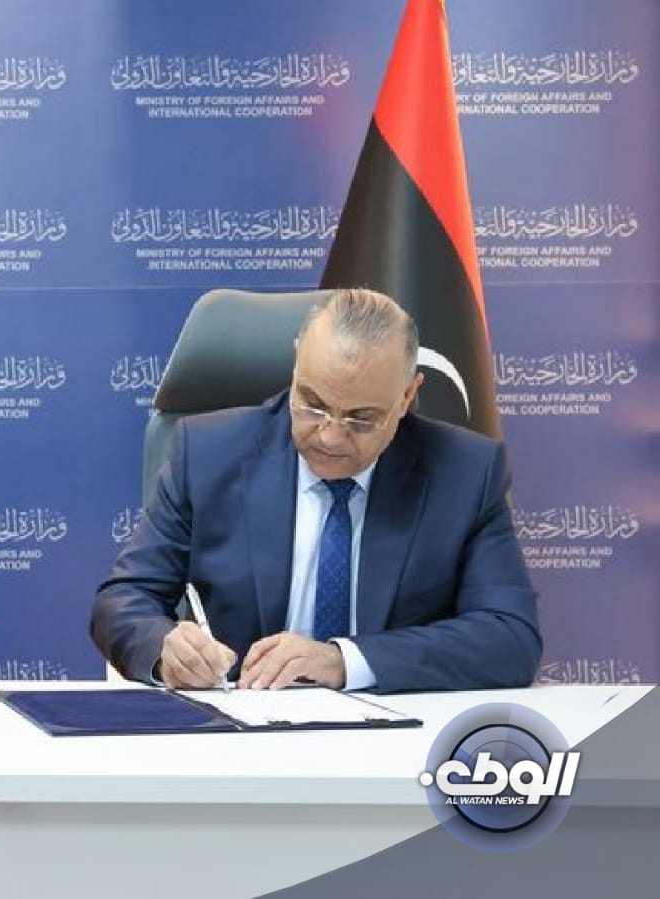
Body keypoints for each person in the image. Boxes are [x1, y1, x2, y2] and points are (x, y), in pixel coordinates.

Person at [91, 288, 540, 693]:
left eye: (361, 418)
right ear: (295, 365)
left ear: (407, 395)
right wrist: (166, 648)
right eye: (313, 404)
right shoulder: (207, 454)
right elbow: (123, 601)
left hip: (399, 735)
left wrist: (343, 661)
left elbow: (511, 637)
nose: (330, 436)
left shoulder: (464, 473)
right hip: (241, 724)